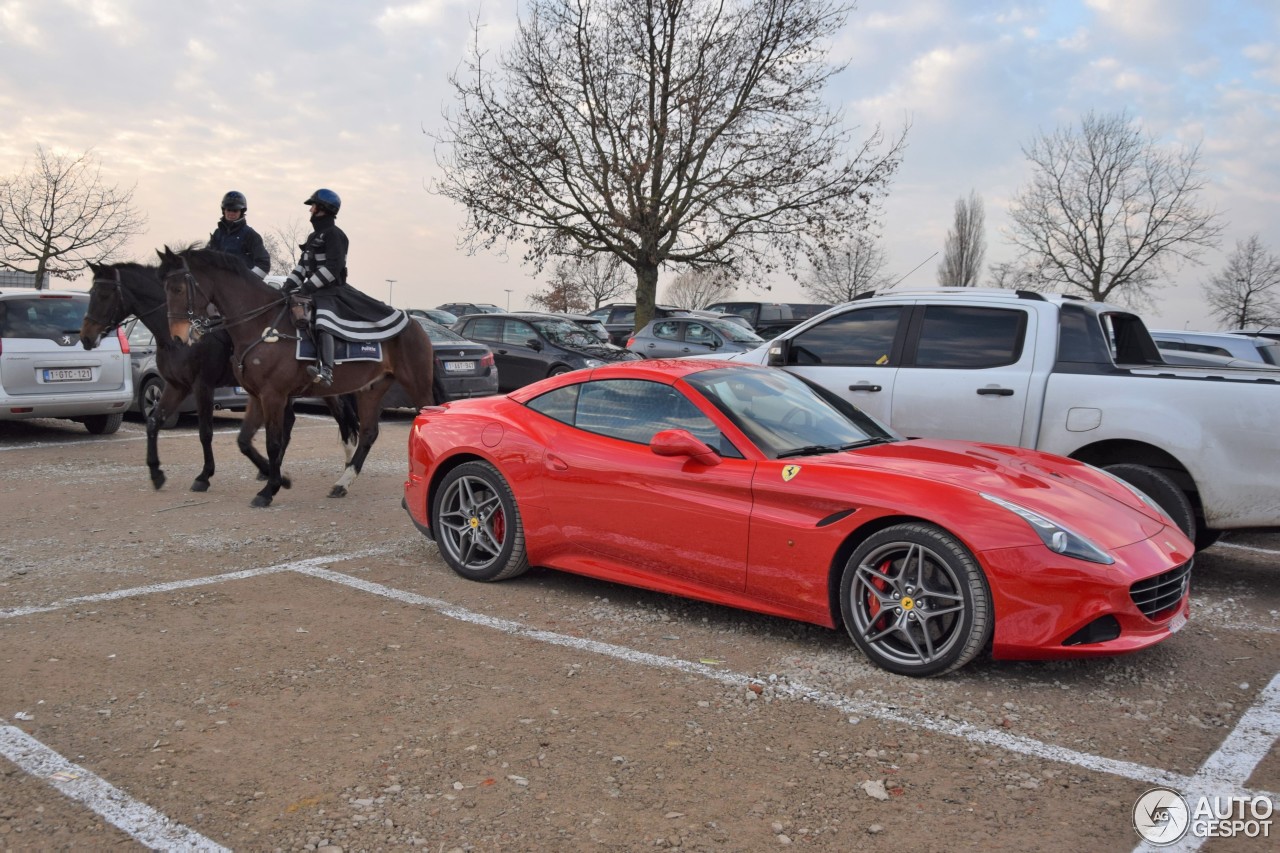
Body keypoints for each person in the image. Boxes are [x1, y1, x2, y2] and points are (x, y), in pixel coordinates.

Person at [282, 189, 408, 386]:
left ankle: (327, 370)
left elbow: (333, 268)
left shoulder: (335, 235)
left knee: (324, 322)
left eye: (313, 206)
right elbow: (302, 267)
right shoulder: (313, 236)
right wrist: (288, 286)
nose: (311, 210)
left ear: (323, 209)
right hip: (315, 291)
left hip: (332, 292)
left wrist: (306, 288)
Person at [207, 191, 270, 280]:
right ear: (223, 210)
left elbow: (264, 263)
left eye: (235, 210)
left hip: (241, 289)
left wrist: (249, 281)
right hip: (217, 285)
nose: (231, 213)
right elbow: (207, 258)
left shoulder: (250, 235)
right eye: (228, 209)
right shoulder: (217, 233)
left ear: (241, 211)